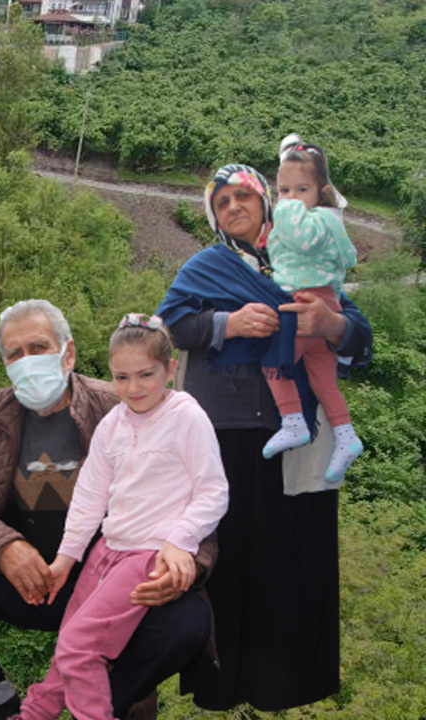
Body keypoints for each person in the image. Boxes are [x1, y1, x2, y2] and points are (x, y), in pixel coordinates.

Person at [0, 299, 216, 720]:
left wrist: (189, 562)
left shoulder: (121, 405)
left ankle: (102, 702)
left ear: (67, 353)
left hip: (114, 578)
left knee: (189, 619)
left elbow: (197, 496)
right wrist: (4, 547)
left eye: (38, 347)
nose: (27, 361)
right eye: (15, 354)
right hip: (37, 582)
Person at [155, 164, 372, 712]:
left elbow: (359, 336)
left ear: (266, 202)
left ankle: (286, 688)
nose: (233, 207)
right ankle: (219, 685)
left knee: (288, 563)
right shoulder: (205, 266)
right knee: (224, 561)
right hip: (223, 435)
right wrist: (228, 324)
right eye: (221, 201)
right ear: (214, 215)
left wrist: (332, 326)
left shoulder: (306, 262)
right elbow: (169, 326)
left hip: (294, 439)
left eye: (243, 196)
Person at [12, 314, 228, 720]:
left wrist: (180, 540)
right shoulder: (113, 423)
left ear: (171, 368)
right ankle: (32, 715)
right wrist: (66, 558)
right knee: (68, 645)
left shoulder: (186, 416)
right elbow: (90, 496)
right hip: (106, 553)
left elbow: (213, 491)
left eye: (146, 374)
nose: (133, 388)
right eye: (121, 377)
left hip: (145, 556)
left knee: (81, 649)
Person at [261, 136, 362, 483]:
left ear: (322, 191)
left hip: (307, 303)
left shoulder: (317, 222)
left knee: (273, 358)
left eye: (301, 190)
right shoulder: (327, 222)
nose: (290, 200)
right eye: (283, 191)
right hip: (321, 300)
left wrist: (286, 212)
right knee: (323, 380)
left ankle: (293, 421)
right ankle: (346, 436)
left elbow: (303, 240)